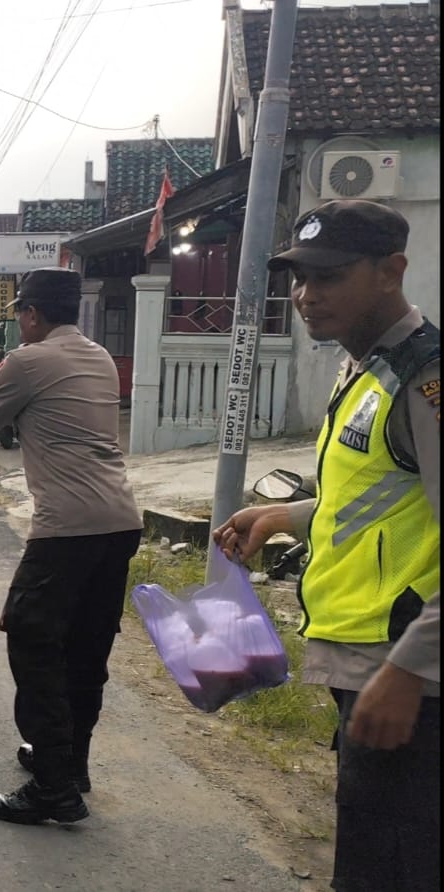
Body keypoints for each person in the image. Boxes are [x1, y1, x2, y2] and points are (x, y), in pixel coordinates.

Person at [213, 199, 438, 891]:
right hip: (367, 661)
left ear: (391, 271)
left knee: (395, 866)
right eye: (298, 279)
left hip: (411, 673)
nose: (307, 297)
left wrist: (409, 673)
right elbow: (375, 502)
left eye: (330, 277)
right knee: (370, 846)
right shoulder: (365, 370)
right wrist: (283, 516)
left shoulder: (423, 383)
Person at [0, 267, 143, 824]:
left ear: (30, 314)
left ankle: (53, 788)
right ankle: (70, 763)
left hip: (67, 529)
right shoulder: (97, 357)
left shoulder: (26, 360)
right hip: (119, 523)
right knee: (86, 649)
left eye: (20, 316)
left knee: (32, 643)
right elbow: (46, 402)